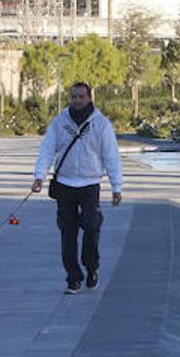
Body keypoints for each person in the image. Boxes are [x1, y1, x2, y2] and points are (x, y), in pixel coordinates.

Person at [31, 82, 123, 294]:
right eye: (74, 96)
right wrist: (39, 176)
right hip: (65, 183)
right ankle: (73, 277)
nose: (77, 100)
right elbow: (47, 150)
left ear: (90, 98)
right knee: (67, 231)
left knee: (92, 226)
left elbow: (111, 156)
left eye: (81, 96)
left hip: (90, 184)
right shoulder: (59, 122)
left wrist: (116, 186)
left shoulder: (100, 124)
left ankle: (91, 267)